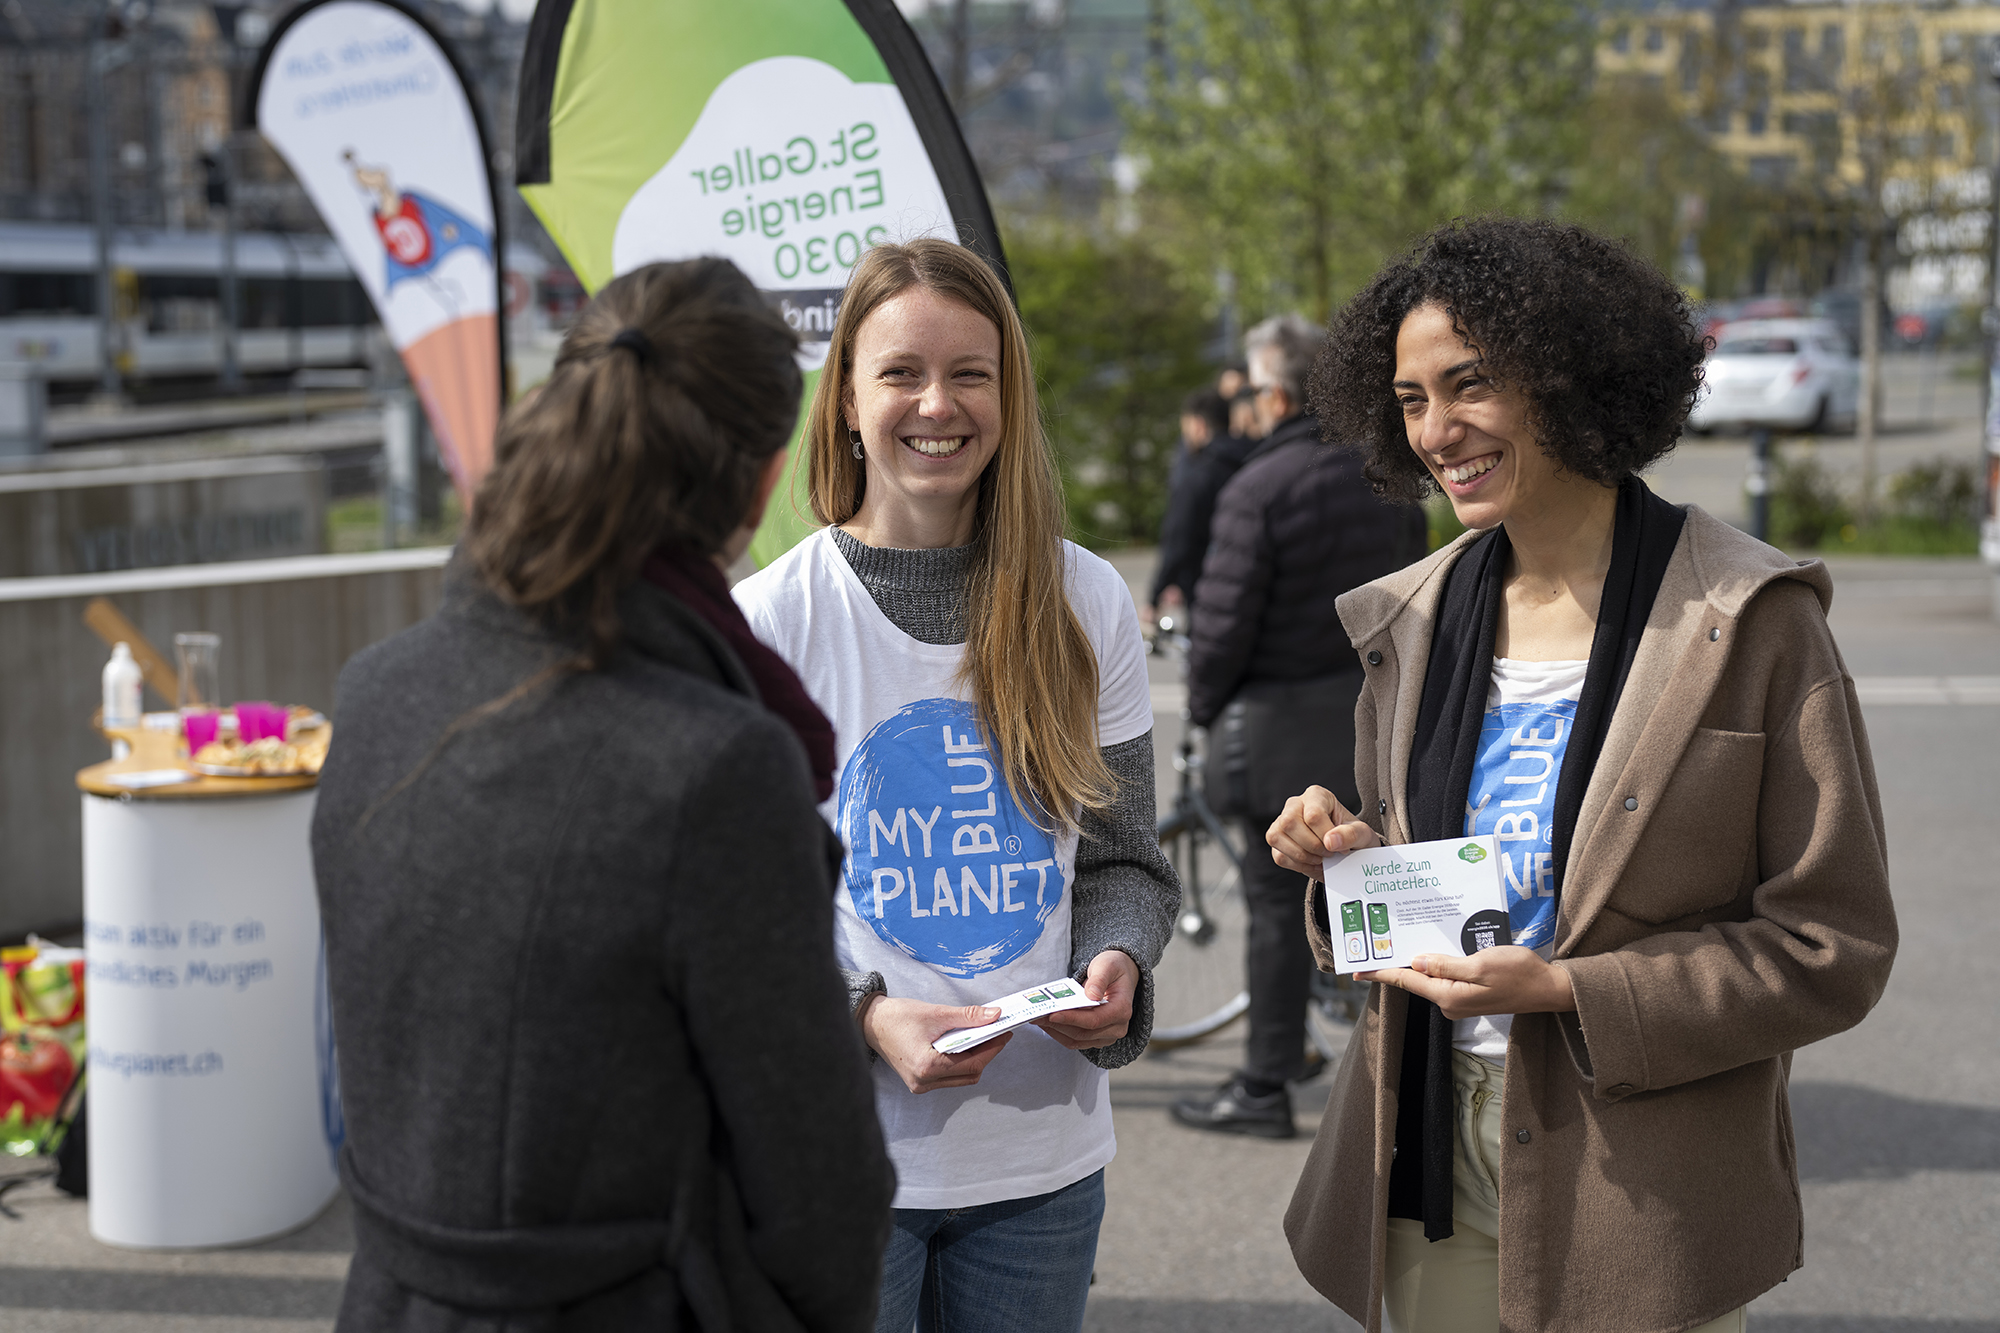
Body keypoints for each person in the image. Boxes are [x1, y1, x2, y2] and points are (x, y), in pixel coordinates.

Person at [1267, 218, 1897, 1333]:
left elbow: (1828, 947)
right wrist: (1344, 864)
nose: (1436, 431)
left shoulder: (1750, 620)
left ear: (1566, 376)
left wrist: (1568, 988)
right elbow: (1415, 892)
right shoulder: (1408, 620)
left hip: (1639, 1173)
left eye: (1468, 386)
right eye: (1410, 399)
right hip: (1425, 1153)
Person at [311, 259, 894, 1332]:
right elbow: (819, 1182)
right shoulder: (715, 766)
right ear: (763, 481)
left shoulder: (378, 688)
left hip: (390, 1298)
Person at [733, 238, 1179, 1333]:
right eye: (900, 373)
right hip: (839, 1161)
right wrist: (863, 1014)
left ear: (1008, 395)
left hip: (1040, 1162)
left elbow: (1124, 856)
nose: (938, 403)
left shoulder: (1083, 600)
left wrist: (1113, 964)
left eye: (969, 373)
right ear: (844, 397)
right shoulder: (769, 622)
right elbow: (735, 915)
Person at [1169, 314, 1426, 1139]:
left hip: (1273, 723)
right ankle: (1401, 1080)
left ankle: (1262, 1085)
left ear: (1275, 394)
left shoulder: (1258, 487)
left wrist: (1201, 710)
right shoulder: (1391, 479)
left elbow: (1222, 625)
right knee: (1380, 889)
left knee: (1277, 908)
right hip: (1374, 715)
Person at [1146, 385, 1250, 624]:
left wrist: (1155, 595)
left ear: (1198, 425)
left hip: (1210, 587)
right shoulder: (1255, 460)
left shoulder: (1198, 475)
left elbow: (1179, 538)